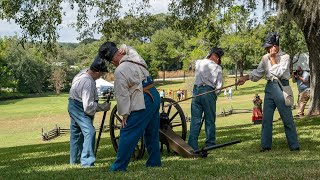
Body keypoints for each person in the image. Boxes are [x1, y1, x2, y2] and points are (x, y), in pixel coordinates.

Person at [97, 42, 161, 171]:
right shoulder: (136, 57)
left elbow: (122, 96)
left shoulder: (120, 70)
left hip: (143, 98)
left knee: (127, 131)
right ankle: (154, 162)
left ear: (113, 59)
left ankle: (119, 167)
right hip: (154, 94)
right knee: (152, 132)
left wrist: (124, 115)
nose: (112, 64)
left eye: (111, 62)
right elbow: (131, 49)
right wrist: (125, 47)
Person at [238, 32, 300, 152]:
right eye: (266, 47)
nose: (267, 49)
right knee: (266, 119)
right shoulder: (265, 58)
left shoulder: (285, 57)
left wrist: (272, 58)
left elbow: (279, 73)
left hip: (282, 87)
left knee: (287, 118)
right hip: (270, 88)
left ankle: (294, 145)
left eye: (269, 47)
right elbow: (258, 73)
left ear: (275, 46)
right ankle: (265, 146)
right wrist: (245, 78)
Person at [68, 56, 111, 167]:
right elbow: (88, 107)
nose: (101, 76)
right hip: (79, 107)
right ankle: (87, 162)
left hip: (73, 104)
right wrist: (102, 107)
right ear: (96, 71)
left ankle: (75, 161)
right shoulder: (88, 82)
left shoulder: (83, 73)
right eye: (101, 74)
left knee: (76, 133)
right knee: (90, 132)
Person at [188, 47, 224, 150]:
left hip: (196, 91)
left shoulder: (199, 62)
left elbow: (201, 61)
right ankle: (210, 143)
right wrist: (215, 95)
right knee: (210, 120)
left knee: (195, 120)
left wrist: (208, 56)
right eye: (218, 57)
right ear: (216, 57)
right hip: (209, 92)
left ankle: (192, 145)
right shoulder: (218, 68)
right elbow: (219, 86)